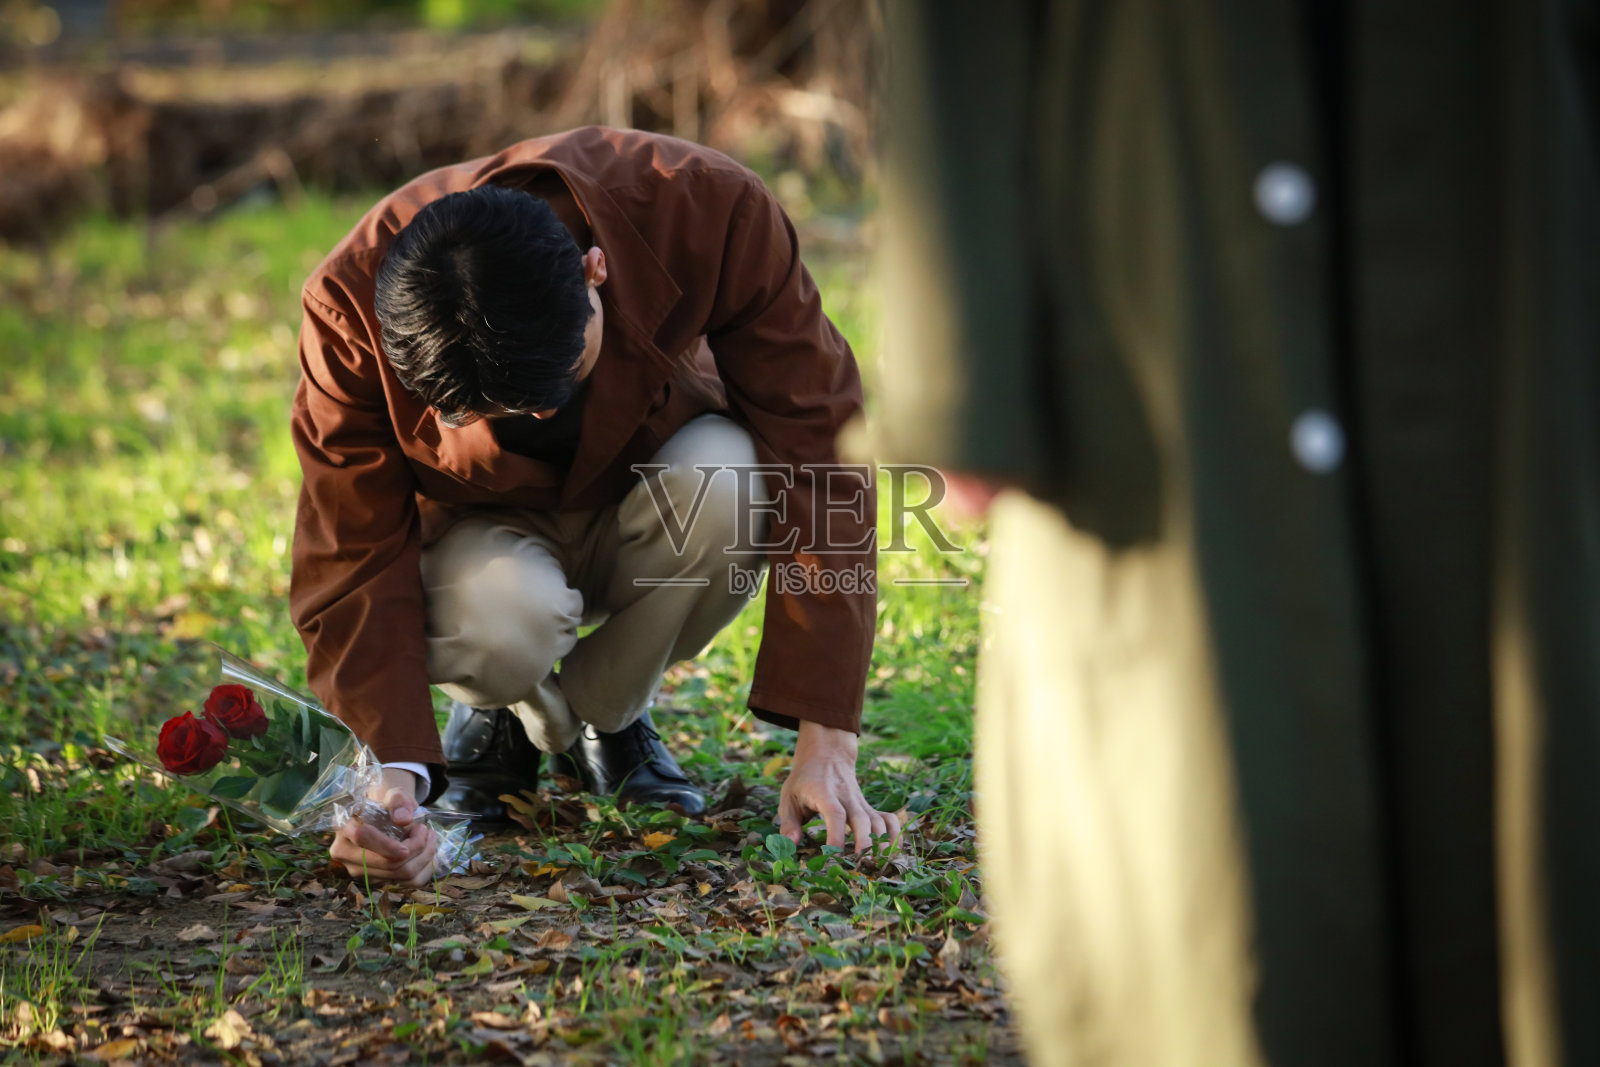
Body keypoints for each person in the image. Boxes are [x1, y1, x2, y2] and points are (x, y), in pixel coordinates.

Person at [879, 2, 1599, 1066]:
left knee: (1515, 777)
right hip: (1150, 194)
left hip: (1502, 169)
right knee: (1216, 802)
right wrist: (964, 372)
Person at [290, 126, 899, 888]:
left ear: (594, 269)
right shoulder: (346, 305)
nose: (537, 419)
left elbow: (820, 443)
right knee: (503, 617)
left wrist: (828, 742)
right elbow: (351, 544)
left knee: (733, 473)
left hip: (657, 500)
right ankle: (507, 711)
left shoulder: (706, 205)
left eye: (559, 379)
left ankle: (603, 717)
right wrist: (390, 776)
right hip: (482, 548)